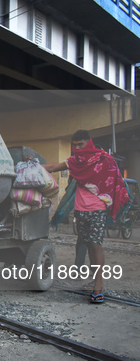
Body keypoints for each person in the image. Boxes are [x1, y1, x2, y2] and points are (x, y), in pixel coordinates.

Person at [43, 130, 130, 304]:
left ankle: (99, 285)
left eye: (80, 144)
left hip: (97, 209)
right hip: (80, 209)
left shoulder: (103, 159)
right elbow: (52, 168)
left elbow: (116, 180)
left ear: (88, 143)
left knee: (96, 244)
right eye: (74, 145)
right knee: (88, 244)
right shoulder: (75, 161)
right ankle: (94, 279)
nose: (77, 148)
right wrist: (33, 166)